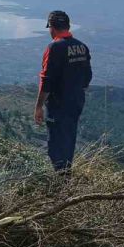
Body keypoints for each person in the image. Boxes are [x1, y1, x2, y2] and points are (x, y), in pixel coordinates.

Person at [34, 10, 92, 173]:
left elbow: (47, 80)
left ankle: (62, 182)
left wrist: (38, 106)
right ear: (67, 26)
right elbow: (87, 78)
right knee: (68, 140)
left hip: (58, 105)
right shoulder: (82, 47)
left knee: (56, 146)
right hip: (76, 103)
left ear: (52, 27)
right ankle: (66, 176)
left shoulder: (54, 47)